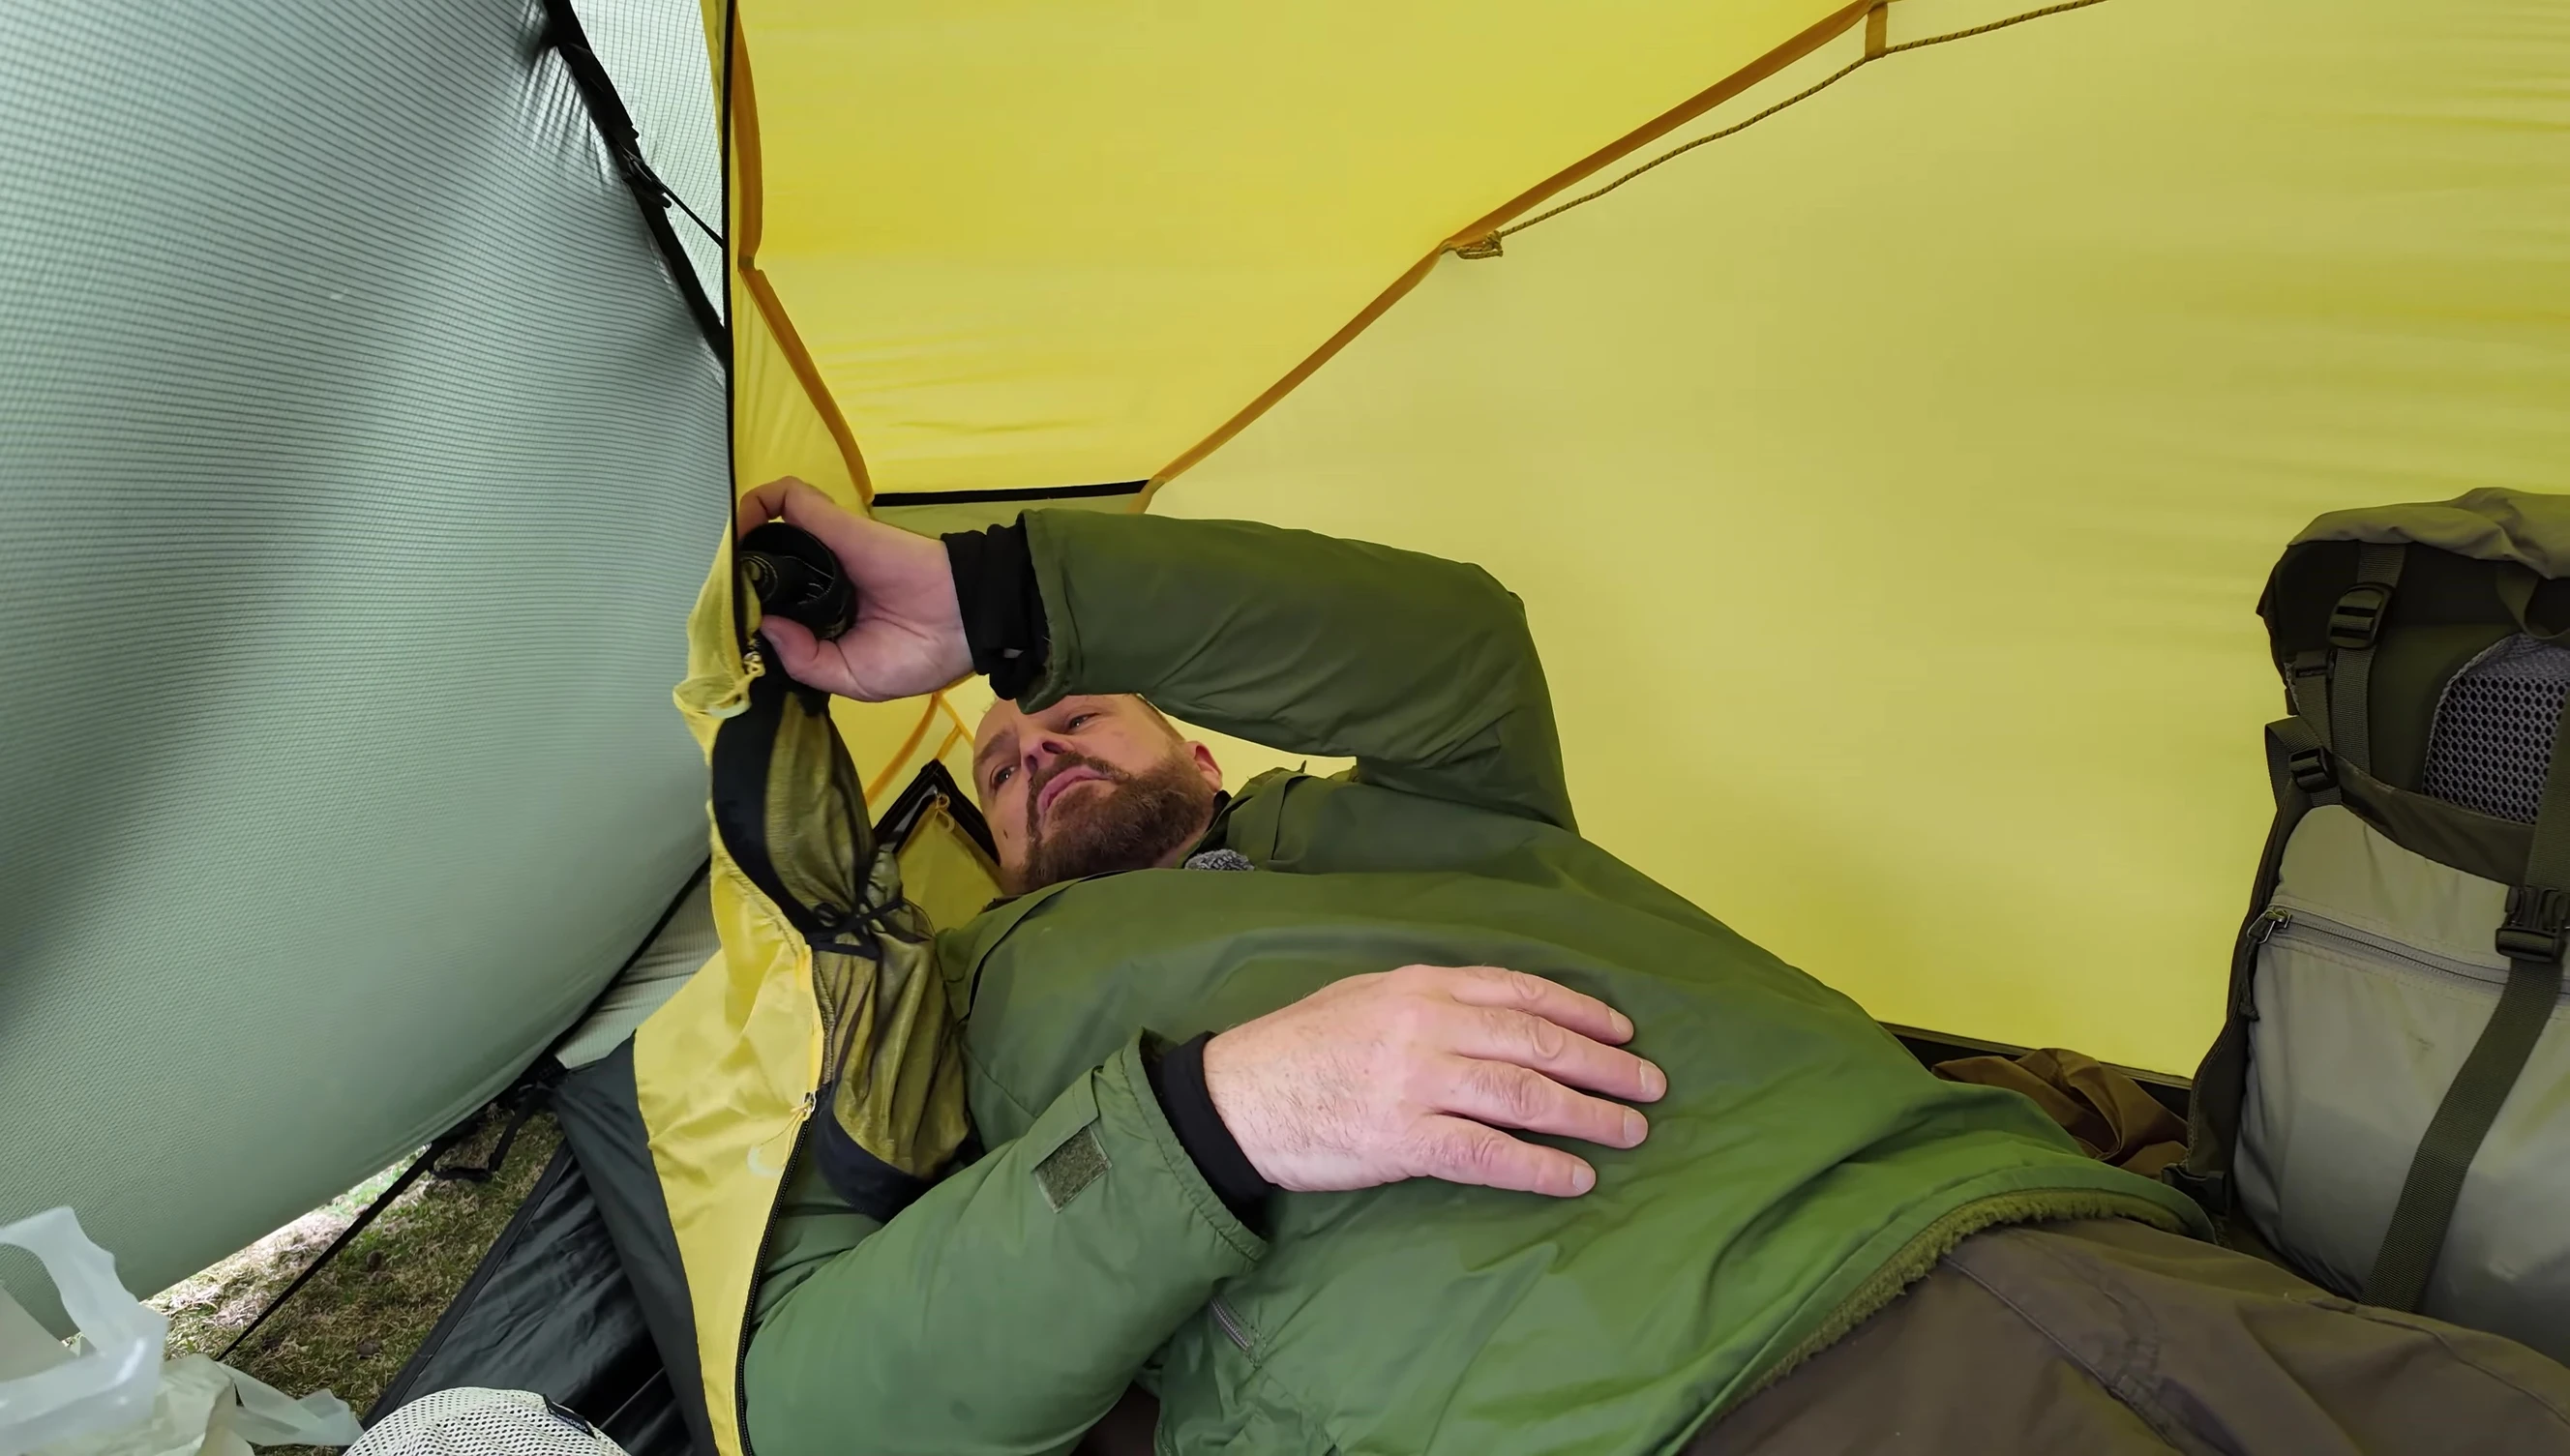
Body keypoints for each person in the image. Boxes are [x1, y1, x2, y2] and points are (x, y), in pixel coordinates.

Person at [735, 479, 2570, 1456]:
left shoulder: (1433, 806)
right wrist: (1224, 1116)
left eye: (1071, 714)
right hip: (1676, 1397)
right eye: (999, 770)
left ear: (1202, 747)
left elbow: (1455, 638)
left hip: (2053, 1237)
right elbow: (825, 1409)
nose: (1030, 750)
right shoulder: (967, 1019)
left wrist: (996, 609)